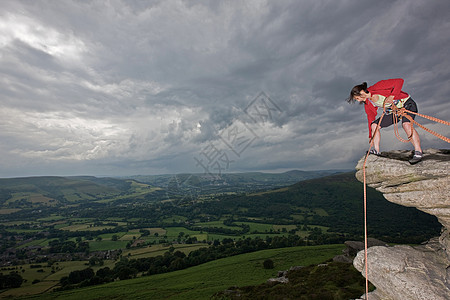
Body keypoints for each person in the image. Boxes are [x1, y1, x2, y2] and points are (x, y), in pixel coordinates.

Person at [347, 78, 423, 164]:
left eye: (357, 98)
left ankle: (418, 152)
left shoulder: (378, 86)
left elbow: (399, 81)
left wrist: (392, 96)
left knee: (406, 124)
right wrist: (370, 136)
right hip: (394, 112)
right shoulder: (368, 103)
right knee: (374, 125)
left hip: (406, 104)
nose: (358, 100)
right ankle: (376, 150)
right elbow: (370, 119)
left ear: (361, 92)